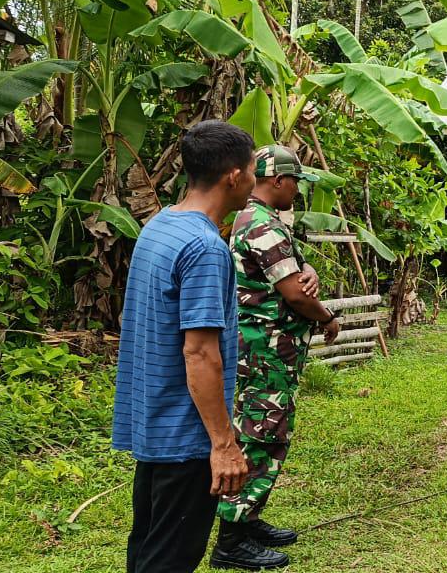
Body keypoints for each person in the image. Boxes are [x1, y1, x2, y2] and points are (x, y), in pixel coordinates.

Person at [112, 120, 256, 573]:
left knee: (149, 549)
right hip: (185, 435)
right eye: (253, 170)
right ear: (234, 175)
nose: (254, 179)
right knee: (170, 560)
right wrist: (223, 444)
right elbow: (199, 353)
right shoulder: (204, 248)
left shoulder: (159, 228)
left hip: (153, 423)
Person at [210, 145, 340, 570]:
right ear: (278, 181)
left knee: (266, 432)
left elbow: (296, 274)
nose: (297, 191)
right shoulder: (261, 222)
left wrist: (312, 275)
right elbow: (294, 294)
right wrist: (327, 318)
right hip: (265, 351)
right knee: (262, 436)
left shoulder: (260, 221)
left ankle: (248, 521)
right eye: (295, 182)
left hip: (269, 351)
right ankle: (231, 538)